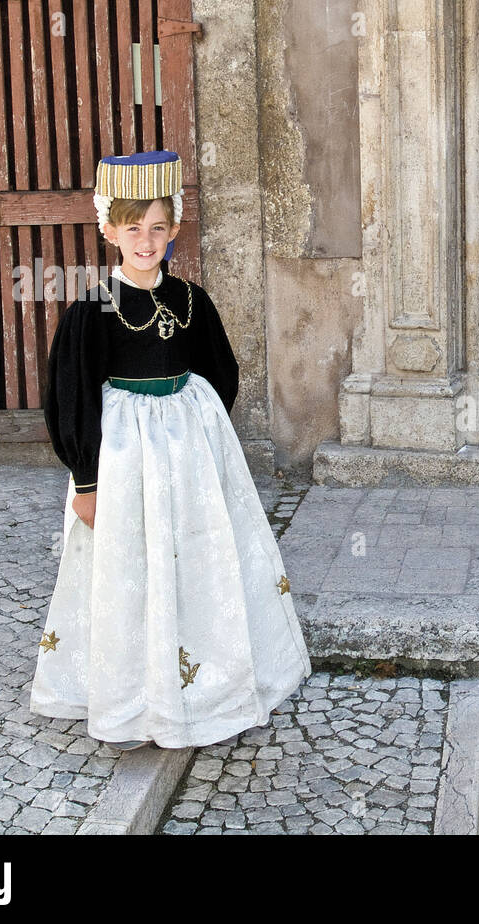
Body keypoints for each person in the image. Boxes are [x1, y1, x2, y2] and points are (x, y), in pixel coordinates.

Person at [30, 150, 311, 750]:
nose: (146, 239)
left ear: (175, 228)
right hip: (124, 465)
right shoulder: (90, 308)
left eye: (158, 226)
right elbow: (70, 395)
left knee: (198, 558)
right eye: (132, 227)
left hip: (187, 463)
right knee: (131, 566)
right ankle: (135, 693)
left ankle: (208, 682)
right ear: (109, 230)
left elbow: (221, 373)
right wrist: (86, 480)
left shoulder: (191, 301)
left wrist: (196, 424)